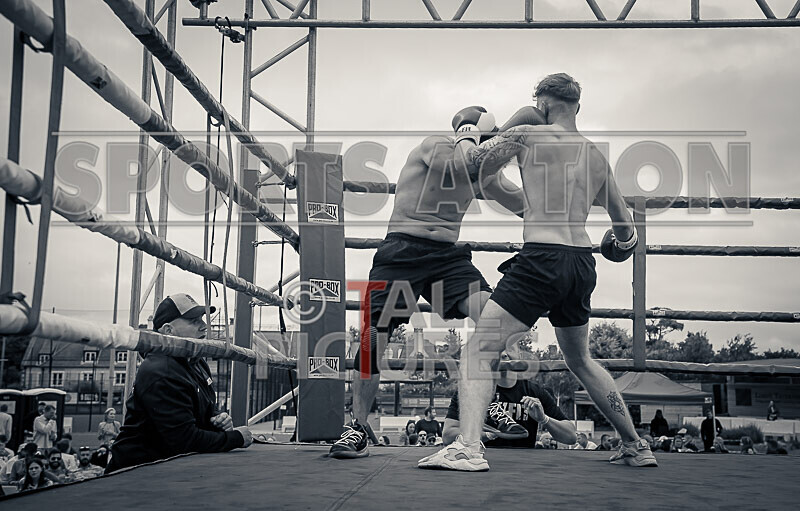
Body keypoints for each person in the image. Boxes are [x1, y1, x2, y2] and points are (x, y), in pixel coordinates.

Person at [419, 73, 657, 471]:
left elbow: (473, 165)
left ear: (542, 105)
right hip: (581, 263)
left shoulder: (529, 134)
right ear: (576, 107)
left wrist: (465, 131)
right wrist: (618, 246)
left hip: (542, 258)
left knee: (480, 349)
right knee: (580, 359)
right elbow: (625, 231)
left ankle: (469, 448)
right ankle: (635, 444)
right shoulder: (596, 154)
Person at [331, 106, 543, 459]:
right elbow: (459, 166)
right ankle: (357, 426)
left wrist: (553, 183)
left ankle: (485, 404)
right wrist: (496, 138)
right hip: (403, 249)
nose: (495, 153)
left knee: (494, 319)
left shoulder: (482, 172)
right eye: (490, 143)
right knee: (372, 338)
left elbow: (524, 205)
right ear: (473, 135)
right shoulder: (438, 146)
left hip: (448, 258)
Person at [106, 293, 253, 473]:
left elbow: (199, 411)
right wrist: (236, 438)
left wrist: (217, 419)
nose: (204, 326)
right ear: (168, 330)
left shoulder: (196, 362)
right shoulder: (161, 371)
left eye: (202, 319)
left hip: (163, 468)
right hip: (134, 472)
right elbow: (183, 440)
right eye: (193, 321)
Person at [442, 350, 576, 448]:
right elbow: (448, 435)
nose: (503, 354)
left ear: (519, 355)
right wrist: (480, 435)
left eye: (509, 348)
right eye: (498, 348)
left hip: (522, 470)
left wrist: (544, 419)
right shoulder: (470, 391)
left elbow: (570, 437)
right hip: (483, 464)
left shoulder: (535, 392)